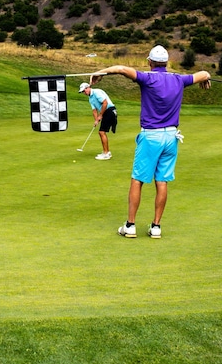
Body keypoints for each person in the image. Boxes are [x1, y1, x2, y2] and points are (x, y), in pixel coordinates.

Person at [89, 45, 211, 239]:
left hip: (151, 136)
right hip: (171, 137)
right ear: (167, 62)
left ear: (149, 62)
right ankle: (156, 227)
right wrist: (207, 78)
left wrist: (100, 72)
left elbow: (121, 69)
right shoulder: (179, 79)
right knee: (161, 180)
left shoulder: (147, 78)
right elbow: (203, 73)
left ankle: (130, 225)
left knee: (137, 179)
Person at [78, 82, 117, 160]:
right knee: (101, 132)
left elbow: (105, 103)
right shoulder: (90, 98)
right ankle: (106, 152)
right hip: (106, 112)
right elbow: (94, 110)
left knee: (102, 132)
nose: (84, 93)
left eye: (84, 90)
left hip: (110, 111)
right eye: (83, 92)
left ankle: (106, 153)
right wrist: (96, 120)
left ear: (88, 87)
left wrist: (100, 115)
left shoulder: (96, 92)